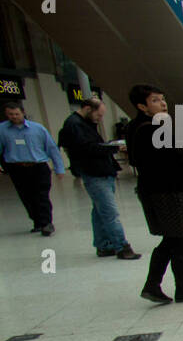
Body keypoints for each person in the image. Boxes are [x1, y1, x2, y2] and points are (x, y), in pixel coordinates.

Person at [126, 85, 183, 303]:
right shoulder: (146, 127)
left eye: (162, 99)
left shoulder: (145, 125)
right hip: (163, 190)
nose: (163, 104)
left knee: (177, 237)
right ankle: (174, 287)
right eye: (155, 100)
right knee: (178, 237)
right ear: (141, 106)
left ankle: (162, 285)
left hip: (168, 188)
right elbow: (161, 156)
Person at [58, 98, 140, 259]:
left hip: (101, 171)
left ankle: (103, 245)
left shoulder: (83, 124)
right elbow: (86, 149)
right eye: (99, 115)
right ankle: (121, 246)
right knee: (109, 212)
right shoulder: (75, 125)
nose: (100, 119)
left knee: (99, 211)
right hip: (94, 172)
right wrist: (112, 147)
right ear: (88, 108)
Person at [1, 102, 64, 235]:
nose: (14, 117)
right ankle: (37, 222)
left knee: (41, 195)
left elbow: (52, 148)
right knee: (26, 197)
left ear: (23, 113)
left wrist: (59, 168)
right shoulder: (2, 129)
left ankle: (47, 223)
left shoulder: (38, 129)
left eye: (17, 114)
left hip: (38, 167)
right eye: (10, 114)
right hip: (17, 168)